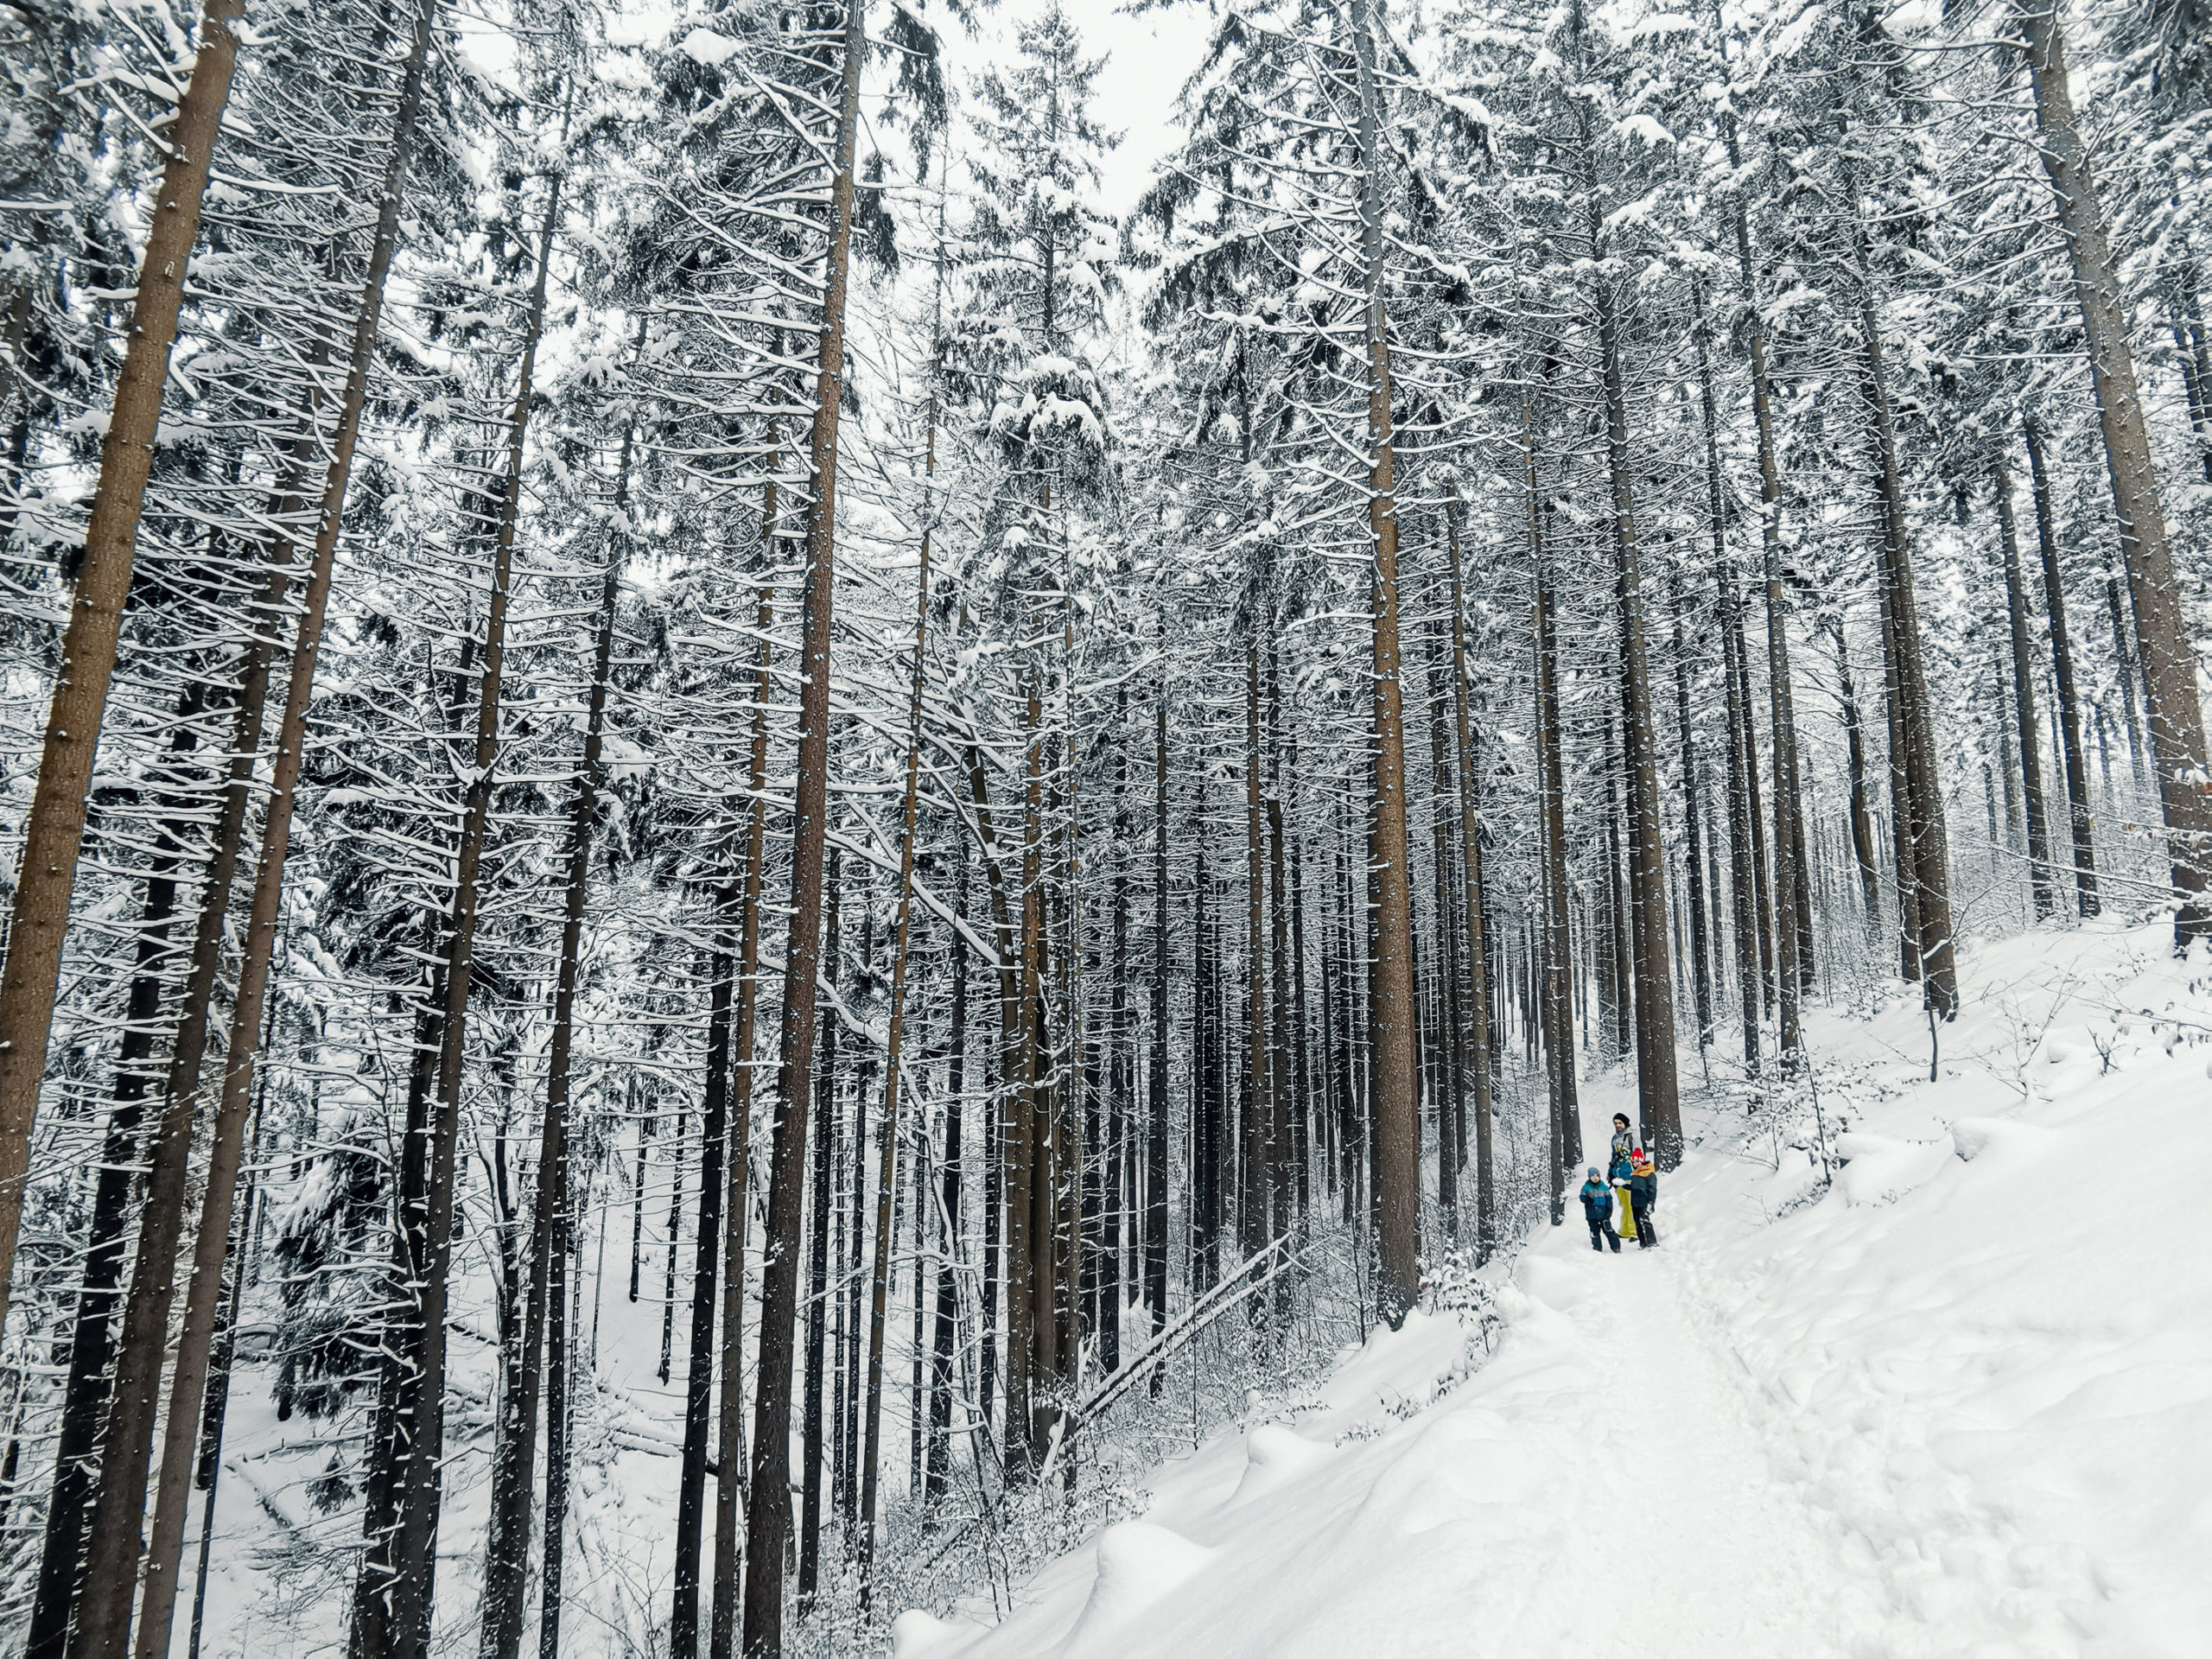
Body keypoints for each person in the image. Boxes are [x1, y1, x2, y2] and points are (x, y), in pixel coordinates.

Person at [1579, 1166, 1620, 1254]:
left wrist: (1609, 1210)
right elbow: (1582, 1197)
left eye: (1597, 1175)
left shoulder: (1604, 1187)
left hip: (1604, 1214)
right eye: (1593, 1176)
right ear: (1589, 1177)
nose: (1595, 1178)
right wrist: (1588, 1200)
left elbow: (1609, 1199)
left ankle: (1616, 1247)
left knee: (1609, 1230)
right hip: (1592, 1215)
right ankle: (1597, 1248)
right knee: (1594, 1231)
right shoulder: (1586, 1187)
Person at [1627, 1147, 1658, 1249]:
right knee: (1637, 1222)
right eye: (1633, 1162)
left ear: (1641, 1161)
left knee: (1645, 1220)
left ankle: (1652, 1242)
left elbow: (1652, 1189)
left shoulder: (1648, 1172)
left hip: (1644, 1201)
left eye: (1636, 1161)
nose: (1635, 1164)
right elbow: (1633, 1187)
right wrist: (1622, 1185)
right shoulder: (1635, 1173)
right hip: (1635, 1201)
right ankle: (1643, 1243)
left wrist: (1651, 1202)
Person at [1608, 1113, 1635, 1180]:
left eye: (1620, 1123)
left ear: (1625, 1123)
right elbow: (1613, 1156)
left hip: (1631, 1175)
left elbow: (1640, 1157)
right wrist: (1610, 1172)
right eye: (1615, 1123)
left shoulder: (1632, 1137)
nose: (1617, 1125)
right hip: (1617, 1176)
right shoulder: (1614, 1138)